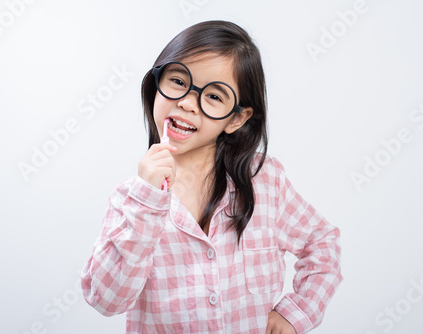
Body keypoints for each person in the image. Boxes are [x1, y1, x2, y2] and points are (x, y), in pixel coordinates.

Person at [80, 20, 342, 334]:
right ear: (156, 83)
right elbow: (106, 300)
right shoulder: (132, 200)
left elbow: (322, 244)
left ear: (236, 118)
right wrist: (147, 199)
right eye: (177, 80)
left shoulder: (265, 180)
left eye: (214, 97)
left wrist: (296, 313)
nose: (187, 103)